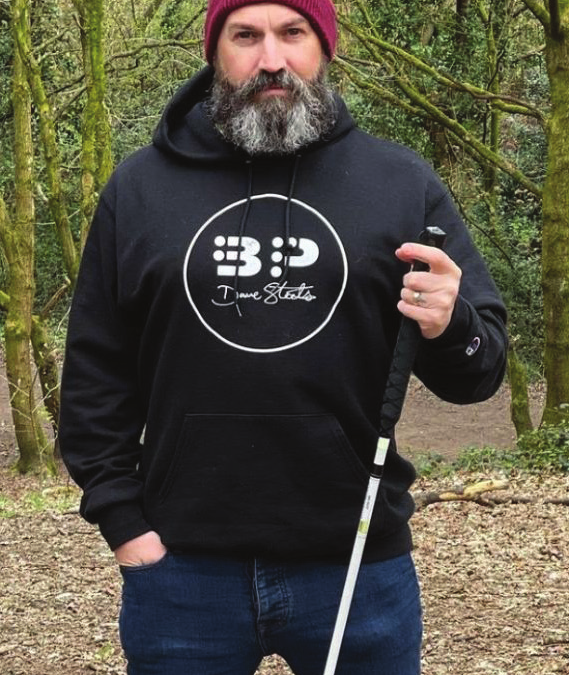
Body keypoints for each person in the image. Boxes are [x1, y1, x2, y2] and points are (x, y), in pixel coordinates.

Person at [59, 0, 508, 673]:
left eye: (292, 33)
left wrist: (451, 323)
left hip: (357, 567)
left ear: (325, 47)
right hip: (181, 572)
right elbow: (95, 373)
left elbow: (479, 372)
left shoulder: (399, 183)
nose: (270, 59)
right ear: (214, 50)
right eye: (245, 35)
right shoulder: (140, 188)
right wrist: (126, 528)